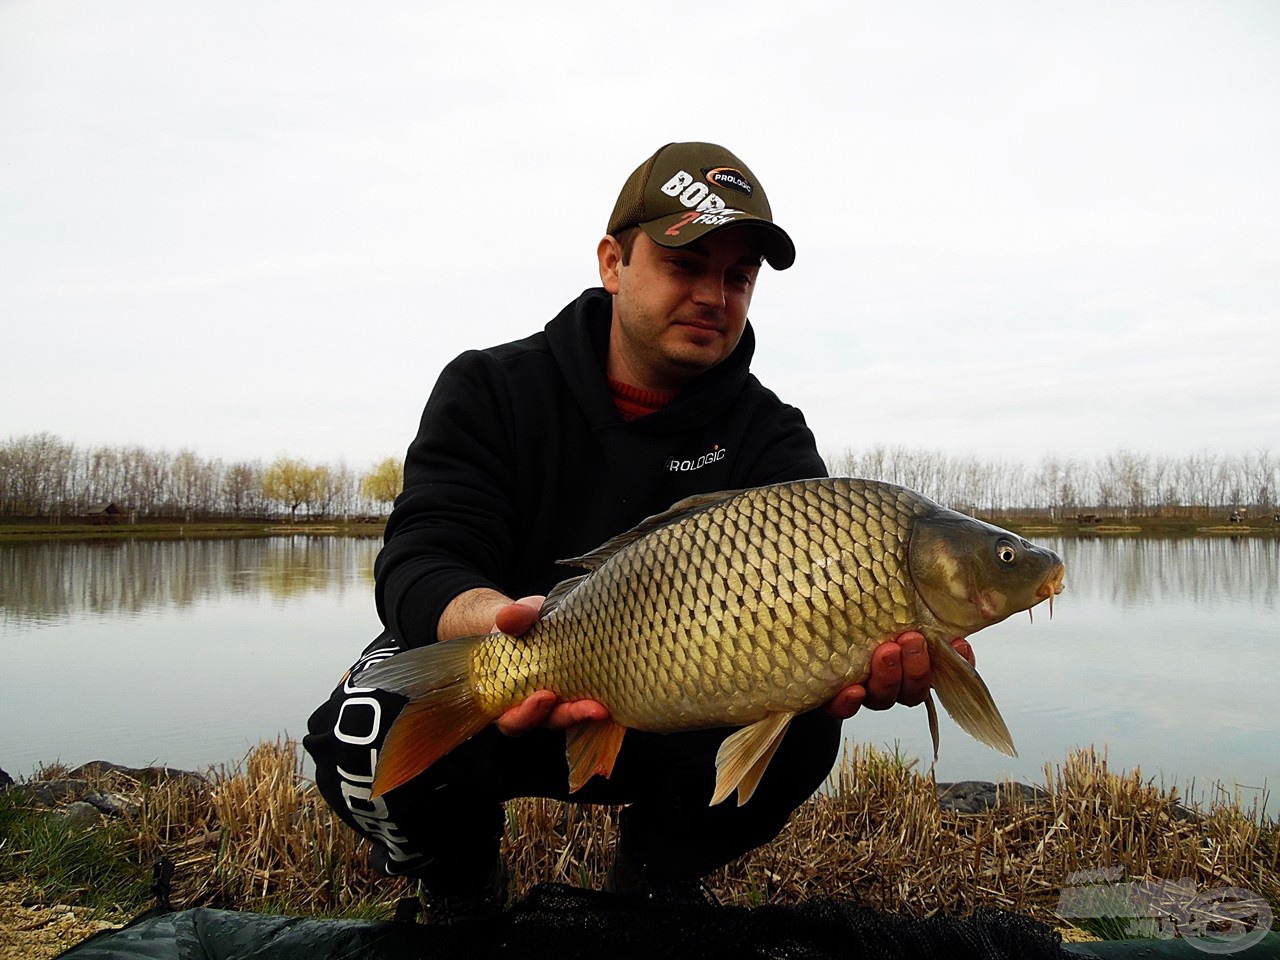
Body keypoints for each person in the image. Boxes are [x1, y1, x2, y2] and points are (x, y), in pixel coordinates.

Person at [303, 141, 972, 923]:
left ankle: (654, 879)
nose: (714, 295)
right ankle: (459, 881)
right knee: (359, 731)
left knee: (807, 723)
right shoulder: (491, 388)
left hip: (673, 703)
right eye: (687, 264)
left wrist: (861, 652)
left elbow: (823, 625)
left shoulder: (770, 437)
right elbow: (421, 557)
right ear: (613, 262)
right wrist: (494, 624)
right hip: (524, 672)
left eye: (738, 276)